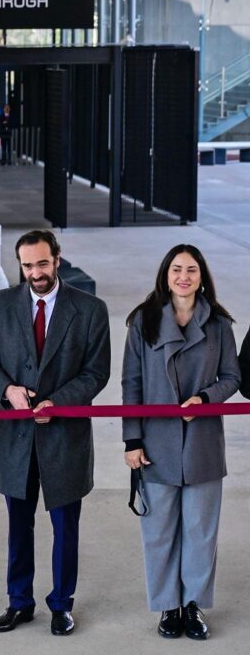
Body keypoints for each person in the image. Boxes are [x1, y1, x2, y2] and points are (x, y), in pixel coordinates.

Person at [0, 230, 110, 636]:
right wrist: (8, 391)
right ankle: (19, 602)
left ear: (57, 258)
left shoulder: (90, 309)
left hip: (64, 436)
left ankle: (61, 605)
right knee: (19, 527)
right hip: (15, 437)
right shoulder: (2, 304)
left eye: (42, 263)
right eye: (28, 265)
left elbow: (96, 372)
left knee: (65, 528)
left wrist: (58, 402)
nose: (36, 273)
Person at [123, 245, 239, 640]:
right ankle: (167, 606)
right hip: (156, 442)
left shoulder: (219, 324)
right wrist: (132, 440)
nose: (183, 277)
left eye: (191, 270)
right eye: (176, 269)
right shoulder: (144, 321)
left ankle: (192, 605)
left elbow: (232, 377)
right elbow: (132, 383)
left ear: (202, 276)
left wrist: (205, 399)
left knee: (201, 530)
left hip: (203, 441)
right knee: (159, 532)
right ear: (165, 275)